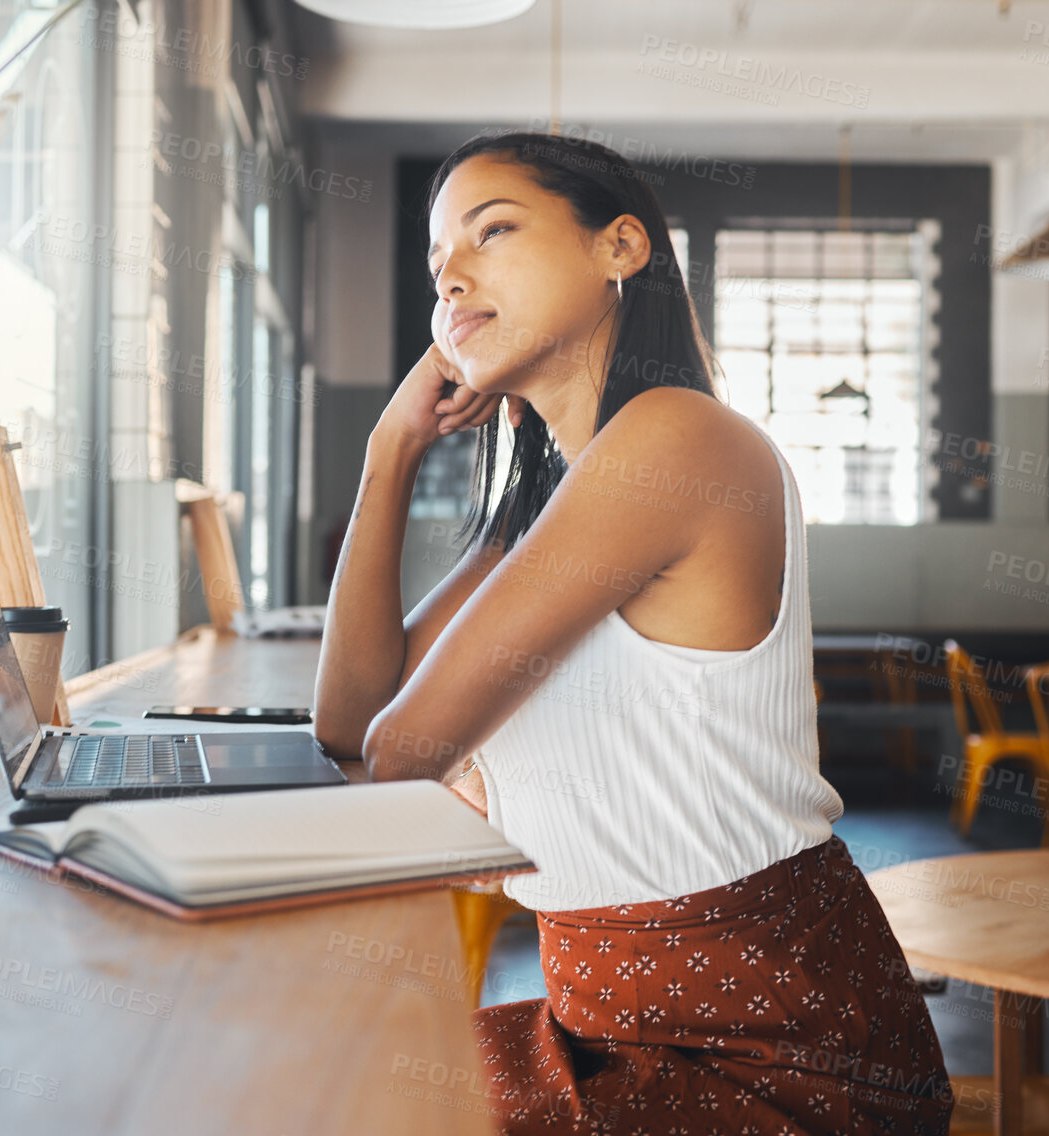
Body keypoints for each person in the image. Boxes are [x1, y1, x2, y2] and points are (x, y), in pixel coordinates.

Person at [313, 130, 953, 1135]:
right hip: (615, 1015)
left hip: (766, 1043)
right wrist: (387, 450)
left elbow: (401, 747)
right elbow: (352, 723)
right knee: (318, 1084)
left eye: (493, 232)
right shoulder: (549, 500)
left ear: (620, 247)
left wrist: (445, 762)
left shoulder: (676, 438)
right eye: (438, 262)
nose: (453, 278)